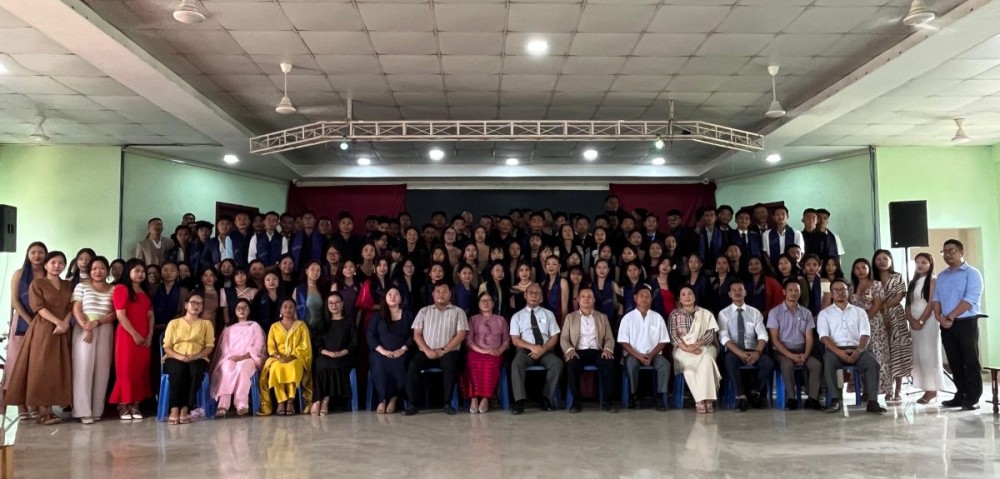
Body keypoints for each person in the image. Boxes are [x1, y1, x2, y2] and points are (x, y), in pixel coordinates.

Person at [2, 251, 72, 425]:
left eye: (61, 263)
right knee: (41, 368)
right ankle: (42, 410)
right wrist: (58, 322)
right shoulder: (38, 283)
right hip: (43, 328)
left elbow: (72, 306)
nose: (57, 266)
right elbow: (38, 307)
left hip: (62, 330)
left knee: (57, 369)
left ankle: (51, 408)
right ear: (46, 265)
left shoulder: (67, 285)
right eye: (53, 262)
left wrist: (65, 323)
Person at [818, 278, 886, 414]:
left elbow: (865, 335)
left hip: (857, 349)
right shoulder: (824, 314)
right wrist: (839, 352)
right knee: (828, 360)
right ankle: (835, 401)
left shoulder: (859, 312)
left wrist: (859, 350)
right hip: (835, 351)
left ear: (848, 292)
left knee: (873, 364)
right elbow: (824, 338)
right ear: (831, 294)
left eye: (843, 290)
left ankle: (872, 401)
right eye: (835, 290)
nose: (839, 293)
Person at [933, 239, 984, 411]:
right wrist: (939, 318)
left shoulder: (972, 273)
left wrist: (950, 316)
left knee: (970, 360)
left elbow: (970, 299)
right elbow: (936, 299)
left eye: (952, 250)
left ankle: (973, 397)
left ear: (961, 253)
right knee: (954, 361)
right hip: (947, 324)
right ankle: (960, 393)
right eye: (945, 251)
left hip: (966, 322)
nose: (948, 254)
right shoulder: (941, 276)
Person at [404, 281, 468, 416]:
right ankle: (412, 404)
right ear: (433, 294)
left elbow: (461, 335)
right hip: (426, 351)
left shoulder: (458, 312)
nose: (441, 294)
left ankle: (447, 403)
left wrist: (443, 350)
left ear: (450, 294)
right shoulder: (424, 311)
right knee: (413, 365)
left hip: (448, 351)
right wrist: (427, 350)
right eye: (438, 291)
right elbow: (417, 335)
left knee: (450, 366)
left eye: (445, 291)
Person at [4, 241, 47, 419]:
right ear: (28, 255)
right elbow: (15, 301)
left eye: (41, 252)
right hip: (22, 322)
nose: (37, 256)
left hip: (43, 324)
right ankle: (21, 405)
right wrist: (29, 321)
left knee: (36, 365)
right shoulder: (19, 274)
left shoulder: (48, 274)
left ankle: (35, 402)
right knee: (16, 364)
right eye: (33, 252)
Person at [71, 257, 116, 424]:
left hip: (104, 328)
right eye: (95, 268)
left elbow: (114, 313)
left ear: (107, 270)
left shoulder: (114, 289)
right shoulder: (81, 286)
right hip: (84, 328)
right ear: (89, 271)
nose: (98, 271)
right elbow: (76, 308)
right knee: (83, 369)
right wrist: (86, 326)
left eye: (102, 268)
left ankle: (97, 409)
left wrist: (96, 323)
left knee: (102, 370)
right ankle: (83, 410)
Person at [768, 279, 825, 411]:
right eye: (790, 290)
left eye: (797, 290)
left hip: (802, 350)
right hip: (783, 351)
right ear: (784, 292)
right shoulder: (775, 312)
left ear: (800, 293)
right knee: (787, 364)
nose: (794, 293)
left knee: (816, 364)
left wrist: (805, 355)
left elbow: (809, 337)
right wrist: (791, 356)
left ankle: (812, 399)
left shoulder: (806, 313)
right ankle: (791, 399)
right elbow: (775, 340)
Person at [108, 259, 154, 421]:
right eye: (137, 271)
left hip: (144, 336)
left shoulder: (144, 290)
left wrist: (149, 335)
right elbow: (120, 315)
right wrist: (134, 334)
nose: (140, 274)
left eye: (143, 271)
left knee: (140, 371)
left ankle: (135, 405)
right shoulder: (121, 288)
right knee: (126, 371)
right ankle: (122, 404)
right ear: (129, 272)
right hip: (127, 336)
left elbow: (150, 315)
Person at [718, 282, 774, 411]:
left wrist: (757, 352)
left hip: (753, 349)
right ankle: (740, 396)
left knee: (768, 363)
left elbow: (763, 335)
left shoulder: (754, 312)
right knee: (730, 360)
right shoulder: (723, 313)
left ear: (745, 292)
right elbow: (724, 337)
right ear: (729, 294)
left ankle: (755, 392)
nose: (737, 292)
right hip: (734, 350)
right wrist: (740, 353)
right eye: (734, 290)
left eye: (740, 289)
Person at [508, 283, 563, 415]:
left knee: (557, 363)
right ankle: (519, 401)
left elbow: (555, 336)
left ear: (541, 298)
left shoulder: (549, 314)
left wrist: (543, 349)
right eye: (531, 293)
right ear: (525, 296)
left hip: (546, 350)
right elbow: (515, 339)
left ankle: (546, 398)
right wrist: (532, 347)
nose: (534, 295)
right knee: (516, 363)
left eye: (537, 293)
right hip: (525, 350)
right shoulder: (517, 316)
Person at [162, 292, 216, 424]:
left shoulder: (206, 324)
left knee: (195, 370)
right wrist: (179, 356)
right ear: (186, 305)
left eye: (199, 304)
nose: (196, 306)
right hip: (174, 356)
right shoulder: (174, 323)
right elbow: (167, 347)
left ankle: (186, 408)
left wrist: (196, 355)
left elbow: (209, 346)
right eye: (193, 302)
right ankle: (174, 408)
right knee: (178, 371)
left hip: (198, 357)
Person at [562, 288, 618, 413]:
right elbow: (564, 338)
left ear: (593, 300)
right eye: (583, 296)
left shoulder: (602, 317)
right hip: (578, 351)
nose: (586, 299)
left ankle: (607, 402)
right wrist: (570, 350)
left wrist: (608, 349)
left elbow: (609, 338)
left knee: (609, 363)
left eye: (589, 296)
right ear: (578, 300)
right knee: (571, 364)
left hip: (597, 350)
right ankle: (576, 403)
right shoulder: (570, 317)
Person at [617, 284, 671, 411]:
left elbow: (663, 341)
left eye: (648, 296)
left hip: (654, 354)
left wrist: (651, 355)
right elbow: (623, 342)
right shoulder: (628, 318)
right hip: (634, 354)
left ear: (651, 299)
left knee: (665, 364)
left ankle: (660, 397)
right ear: (635, 298)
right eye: (642, 296)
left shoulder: (657, 317)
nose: (645, 298)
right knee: (631, 364)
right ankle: (634, 396)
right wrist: (638, 356)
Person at [668, 285, 721, 414]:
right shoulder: (674, 314)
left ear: (695, 296)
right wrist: (687, 348)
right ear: (679, 299)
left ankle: (706, 399)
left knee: (707, 359)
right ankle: (701, 399)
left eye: (690, 293)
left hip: (704, 346)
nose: (687, 297)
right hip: (682, 348)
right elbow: (673, 335)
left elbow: (710, 333)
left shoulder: (705, 313)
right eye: (683, 294)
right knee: (689, 367)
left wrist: (697, 345)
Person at [210, 298, 265, 417]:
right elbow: (224, 348)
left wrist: (244, 356)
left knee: (241, 367)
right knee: (226, 368)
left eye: (245, 307)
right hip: (231, 357)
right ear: (234, 311)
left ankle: (242, 404)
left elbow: (258, 345)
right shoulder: (228, 329)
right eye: (239, 308)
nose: (242, 310)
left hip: (249, 358)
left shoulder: (254, 326)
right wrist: (231, 357)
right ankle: (223, 405)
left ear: (249, 310)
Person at [258, 299, 312, 416]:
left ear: (295, 310)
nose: (288, 309)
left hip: (296, 357)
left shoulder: (301, 325)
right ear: (280, 310)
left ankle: (290, 401)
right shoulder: (274, 327)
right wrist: (279, 356)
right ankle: (281, 401)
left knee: (293, 366)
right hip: (277, 357)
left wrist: (292, 356)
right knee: (276, 368)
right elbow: (271, 347)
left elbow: (305, 346)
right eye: (285, 307)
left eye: (291, 307)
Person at [872, 249, 912, 402]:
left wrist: (883, 307)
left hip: (896, 317)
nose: (881, 261)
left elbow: (899, 296)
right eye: (878, 259)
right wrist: (879, 311)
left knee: (898, 352)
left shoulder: (897, 277)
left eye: (884, 258)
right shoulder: (872, 280)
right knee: (883, 353)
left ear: (890, 260)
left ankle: (898, 390)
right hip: (877, 318)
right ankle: (887, 388)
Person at [461, 291, 510, 414]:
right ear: (478, 304)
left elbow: (506, 341)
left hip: (495, 353)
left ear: (493, 304)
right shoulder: (472, 319)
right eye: (483, 301)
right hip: (476, 351)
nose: (486, 303)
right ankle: (473, 398)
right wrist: (482, 350)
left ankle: (485, 397)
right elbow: (469, 340)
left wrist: (499, 350)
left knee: (490, 366)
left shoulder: (501, 320)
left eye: (488, 300)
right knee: (471, 365)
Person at [368, 287, 414, 414]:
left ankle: (394, 398)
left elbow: (413, 335)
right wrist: (382, 350)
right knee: (380, 364)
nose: (393, 296)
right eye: (390, 294)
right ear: (385, 298)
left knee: (400, 363)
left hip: (402, 351)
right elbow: (370, 335)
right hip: (380, 352)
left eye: (396, 294)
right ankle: (382, 399)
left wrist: (403, 349)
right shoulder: (378, 316)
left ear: (401, 298)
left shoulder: (408, 315)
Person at [310, 293, 357, 415]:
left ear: (342, 304)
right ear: (327, 305)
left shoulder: (349, 322)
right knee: (320, 364)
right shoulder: (323, 322)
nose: (334, 305)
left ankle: (325, 400)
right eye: (331, 303)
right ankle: (317, 401)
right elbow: (317, 343)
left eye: (337, 302)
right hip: (326, 354)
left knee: (334, 365)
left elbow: (354, 343)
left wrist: (341, 352)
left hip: (344, 356)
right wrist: (327, 352)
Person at [848, 258, 888, 399]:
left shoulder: (876, 285)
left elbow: (877, 305)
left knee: (876, 356)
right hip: (856, 328)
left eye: (863, 267)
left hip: (874, 325)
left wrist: (864, 321)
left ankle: (874, 391)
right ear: (853, 270)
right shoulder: (850, 287)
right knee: (860, 355)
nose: (860, 270)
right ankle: (864, 390)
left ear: (869, 269)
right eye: (857, 268)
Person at [906, 253, 942, 405]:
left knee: (928, 354)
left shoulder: (933, 280)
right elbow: (908, 304)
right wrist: (912, 319)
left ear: (930, 264)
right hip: (914, 322)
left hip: (928, 321)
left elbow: (931, 304)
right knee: (918, 355)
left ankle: (932, 390)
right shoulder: (913, 282)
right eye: (917, 262)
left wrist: (921, 320)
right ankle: (924, 386)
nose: (920, 265)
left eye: (924, 262)